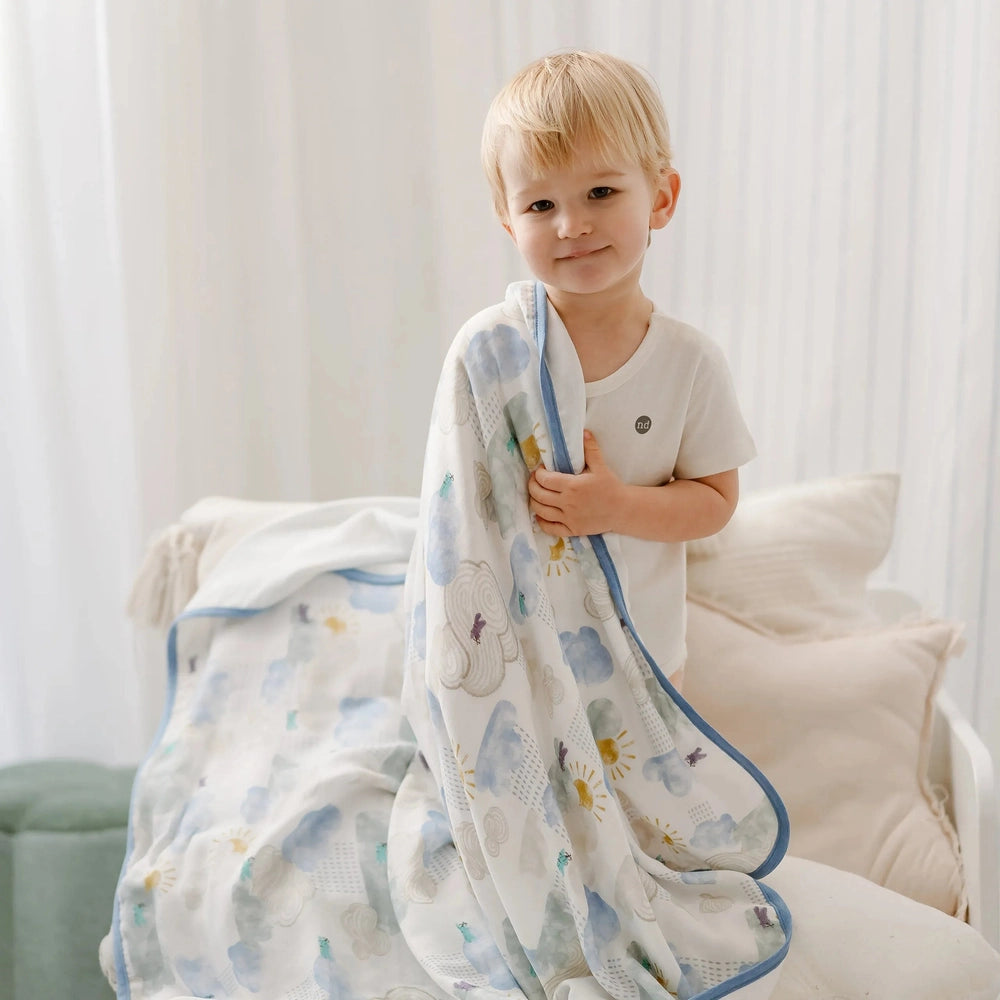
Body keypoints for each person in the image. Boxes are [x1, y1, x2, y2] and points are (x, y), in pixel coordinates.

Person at [479, 49, 756, 684]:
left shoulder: (688, 363)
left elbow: (715, 502)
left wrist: (616, 507)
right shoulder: (495, 352)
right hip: (523, 664)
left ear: (661, 197)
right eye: (539, 205)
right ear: (508, 222)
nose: (572, 225)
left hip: (645, 664)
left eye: (600, 192)